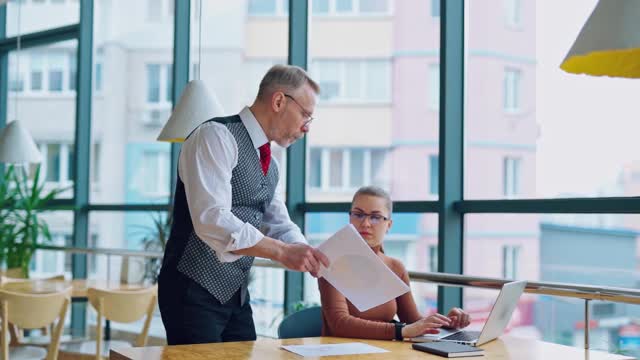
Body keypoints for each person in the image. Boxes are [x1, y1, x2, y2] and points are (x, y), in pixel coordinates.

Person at [159, 64, 330, 345]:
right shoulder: (215, 136)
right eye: (305, 115)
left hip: (235, 294)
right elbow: (211, 218)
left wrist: (305, 252)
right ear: (278, 101)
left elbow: (278, 222)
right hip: (191, 290)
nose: (306, 128)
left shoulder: (271, 164)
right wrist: (282, 252)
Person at [319, 186, 470, 340]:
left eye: (375, 217)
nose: (365, 223)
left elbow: (413, 322)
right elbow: (339, 324)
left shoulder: (395, 267)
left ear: (389, 225)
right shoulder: (331, 261)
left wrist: (446, 322)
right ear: (350, 218)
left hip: (385, 353)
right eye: (358, 214)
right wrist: (401, 331)